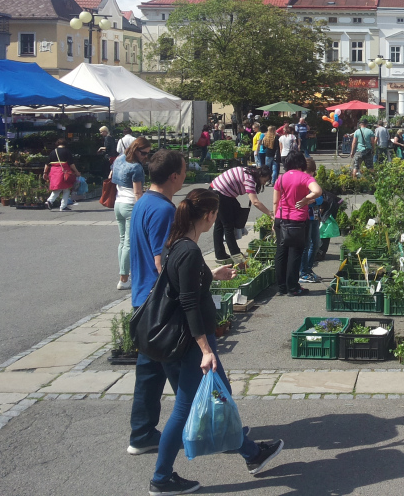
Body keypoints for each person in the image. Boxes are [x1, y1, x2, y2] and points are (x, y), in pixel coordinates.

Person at [149, 189, 283, 494]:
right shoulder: (189, 250)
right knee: (185, 408)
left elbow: (183, 282)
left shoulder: (176, 244)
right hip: (191, 343)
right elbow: (188, 302)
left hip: (180, 339)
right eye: (215, 215)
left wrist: (211, 274)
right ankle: (161, 478)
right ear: (209, 216)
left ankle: (250, 452)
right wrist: (206, 349)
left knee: (221, 395)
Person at [127, 149, 185, 459]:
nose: (186, 174)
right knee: (188, 375)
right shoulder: (163, 210)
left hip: (143, 301)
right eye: (184, 170)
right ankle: (215, 429)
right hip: (160, 305)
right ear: (174, 176)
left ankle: (142, 434)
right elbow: (164, 262)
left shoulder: (144, 203)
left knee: (149, 376)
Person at [273, 150, 321, 296]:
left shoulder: (280, 178)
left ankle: (281, 287)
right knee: (295, 253)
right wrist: (307, 199)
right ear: (301, 162)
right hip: (298, 220)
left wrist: (274, 219)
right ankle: (293, 287)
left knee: (281, 252)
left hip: (280, 218)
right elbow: (317, 191)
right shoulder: (305, 177)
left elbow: (276, 201)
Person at [209, 165, 273, 263]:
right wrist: (270, 214)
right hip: (220, 193)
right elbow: (255, 202)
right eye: (265, 180)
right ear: (260, 175)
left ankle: (220, 254)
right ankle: (237, 257)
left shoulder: (249, 171)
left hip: (218, 191)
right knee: (228, 226)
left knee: (220, 224)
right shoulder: (250, 179)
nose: (265, 183)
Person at [111, 137, 151, 290]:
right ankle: (123, 278)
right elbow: (137, 193)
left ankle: (123, 275)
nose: (145, 156)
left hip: (118, 202)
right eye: (143, 153)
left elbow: (112, 178)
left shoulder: (119, 159)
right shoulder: (136, 167)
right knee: (128, 242)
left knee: (122, 241)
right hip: (130, 205)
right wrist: (143, 210)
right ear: (135, 149)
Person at [43, 138, 80, 211]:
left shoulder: (53, 152)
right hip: (63, 172)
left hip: (54, 172)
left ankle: (58, 204)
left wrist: (45, 172)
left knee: (59, 188)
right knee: (64, 189)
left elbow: (47, 164)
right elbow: (71, 164)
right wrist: (76, 171)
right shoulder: (67, 151)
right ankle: (54, 202)